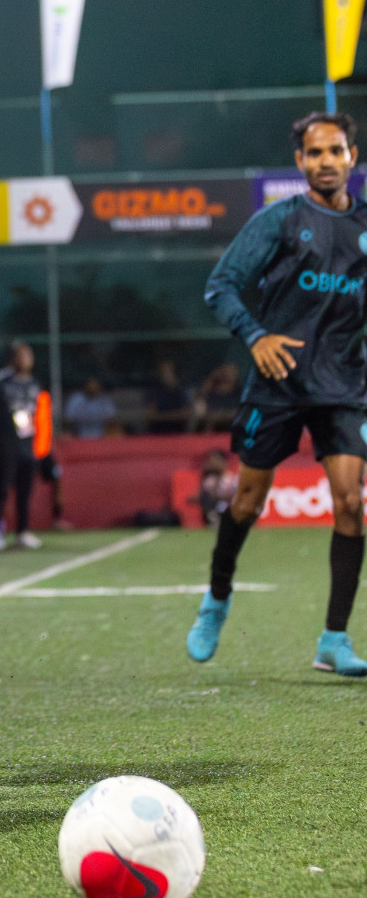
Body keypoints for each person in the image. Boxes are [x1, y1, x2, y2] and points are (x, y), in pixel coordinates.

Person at [187, 112, 367, 675]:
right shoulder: (281, 220)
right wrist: (256, 335)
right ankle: (217, 597)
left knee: (351, 504)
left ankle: (333, 641)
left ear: (352, 157)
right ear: (300, 163)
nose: (326, 162)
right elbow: (220, 287)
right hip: (279, 382)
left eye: (335, 151)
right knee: (247, 502)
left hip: (343, 385)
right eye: (315, 154)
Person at [0, 343, 49, 551]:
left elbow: (38, 415)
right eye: (20, 356)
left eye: (28, 356)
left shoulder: (34, 383)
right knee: (2, 488)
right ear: (13, 359)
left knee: (25, 490)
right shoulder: (1, 382)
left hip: (27, 443)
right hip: (7, 442)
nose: (25, 360)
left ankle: (22, 532)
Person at [192, 362, 242, 434]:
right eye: (224, 371)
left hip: (229, 433)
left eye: (230, 372)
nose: (226, 375)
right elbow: (199, 405)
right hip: (207, 433)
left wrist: (220, 416)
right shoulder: (210, 393)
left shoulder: (239, 394)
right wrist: (211, 378)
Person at [145, 360, 191, 434]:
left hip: (178, 432)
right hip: (157, 432)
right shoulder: (155, 391)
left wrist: (163, 416)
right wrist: (172, 416)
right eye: (163, 372)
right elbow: (151, 414)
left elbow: (185, 413)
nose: (165, 375)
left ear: (174, 373)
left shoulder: (181, 391)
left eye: (168, 372)